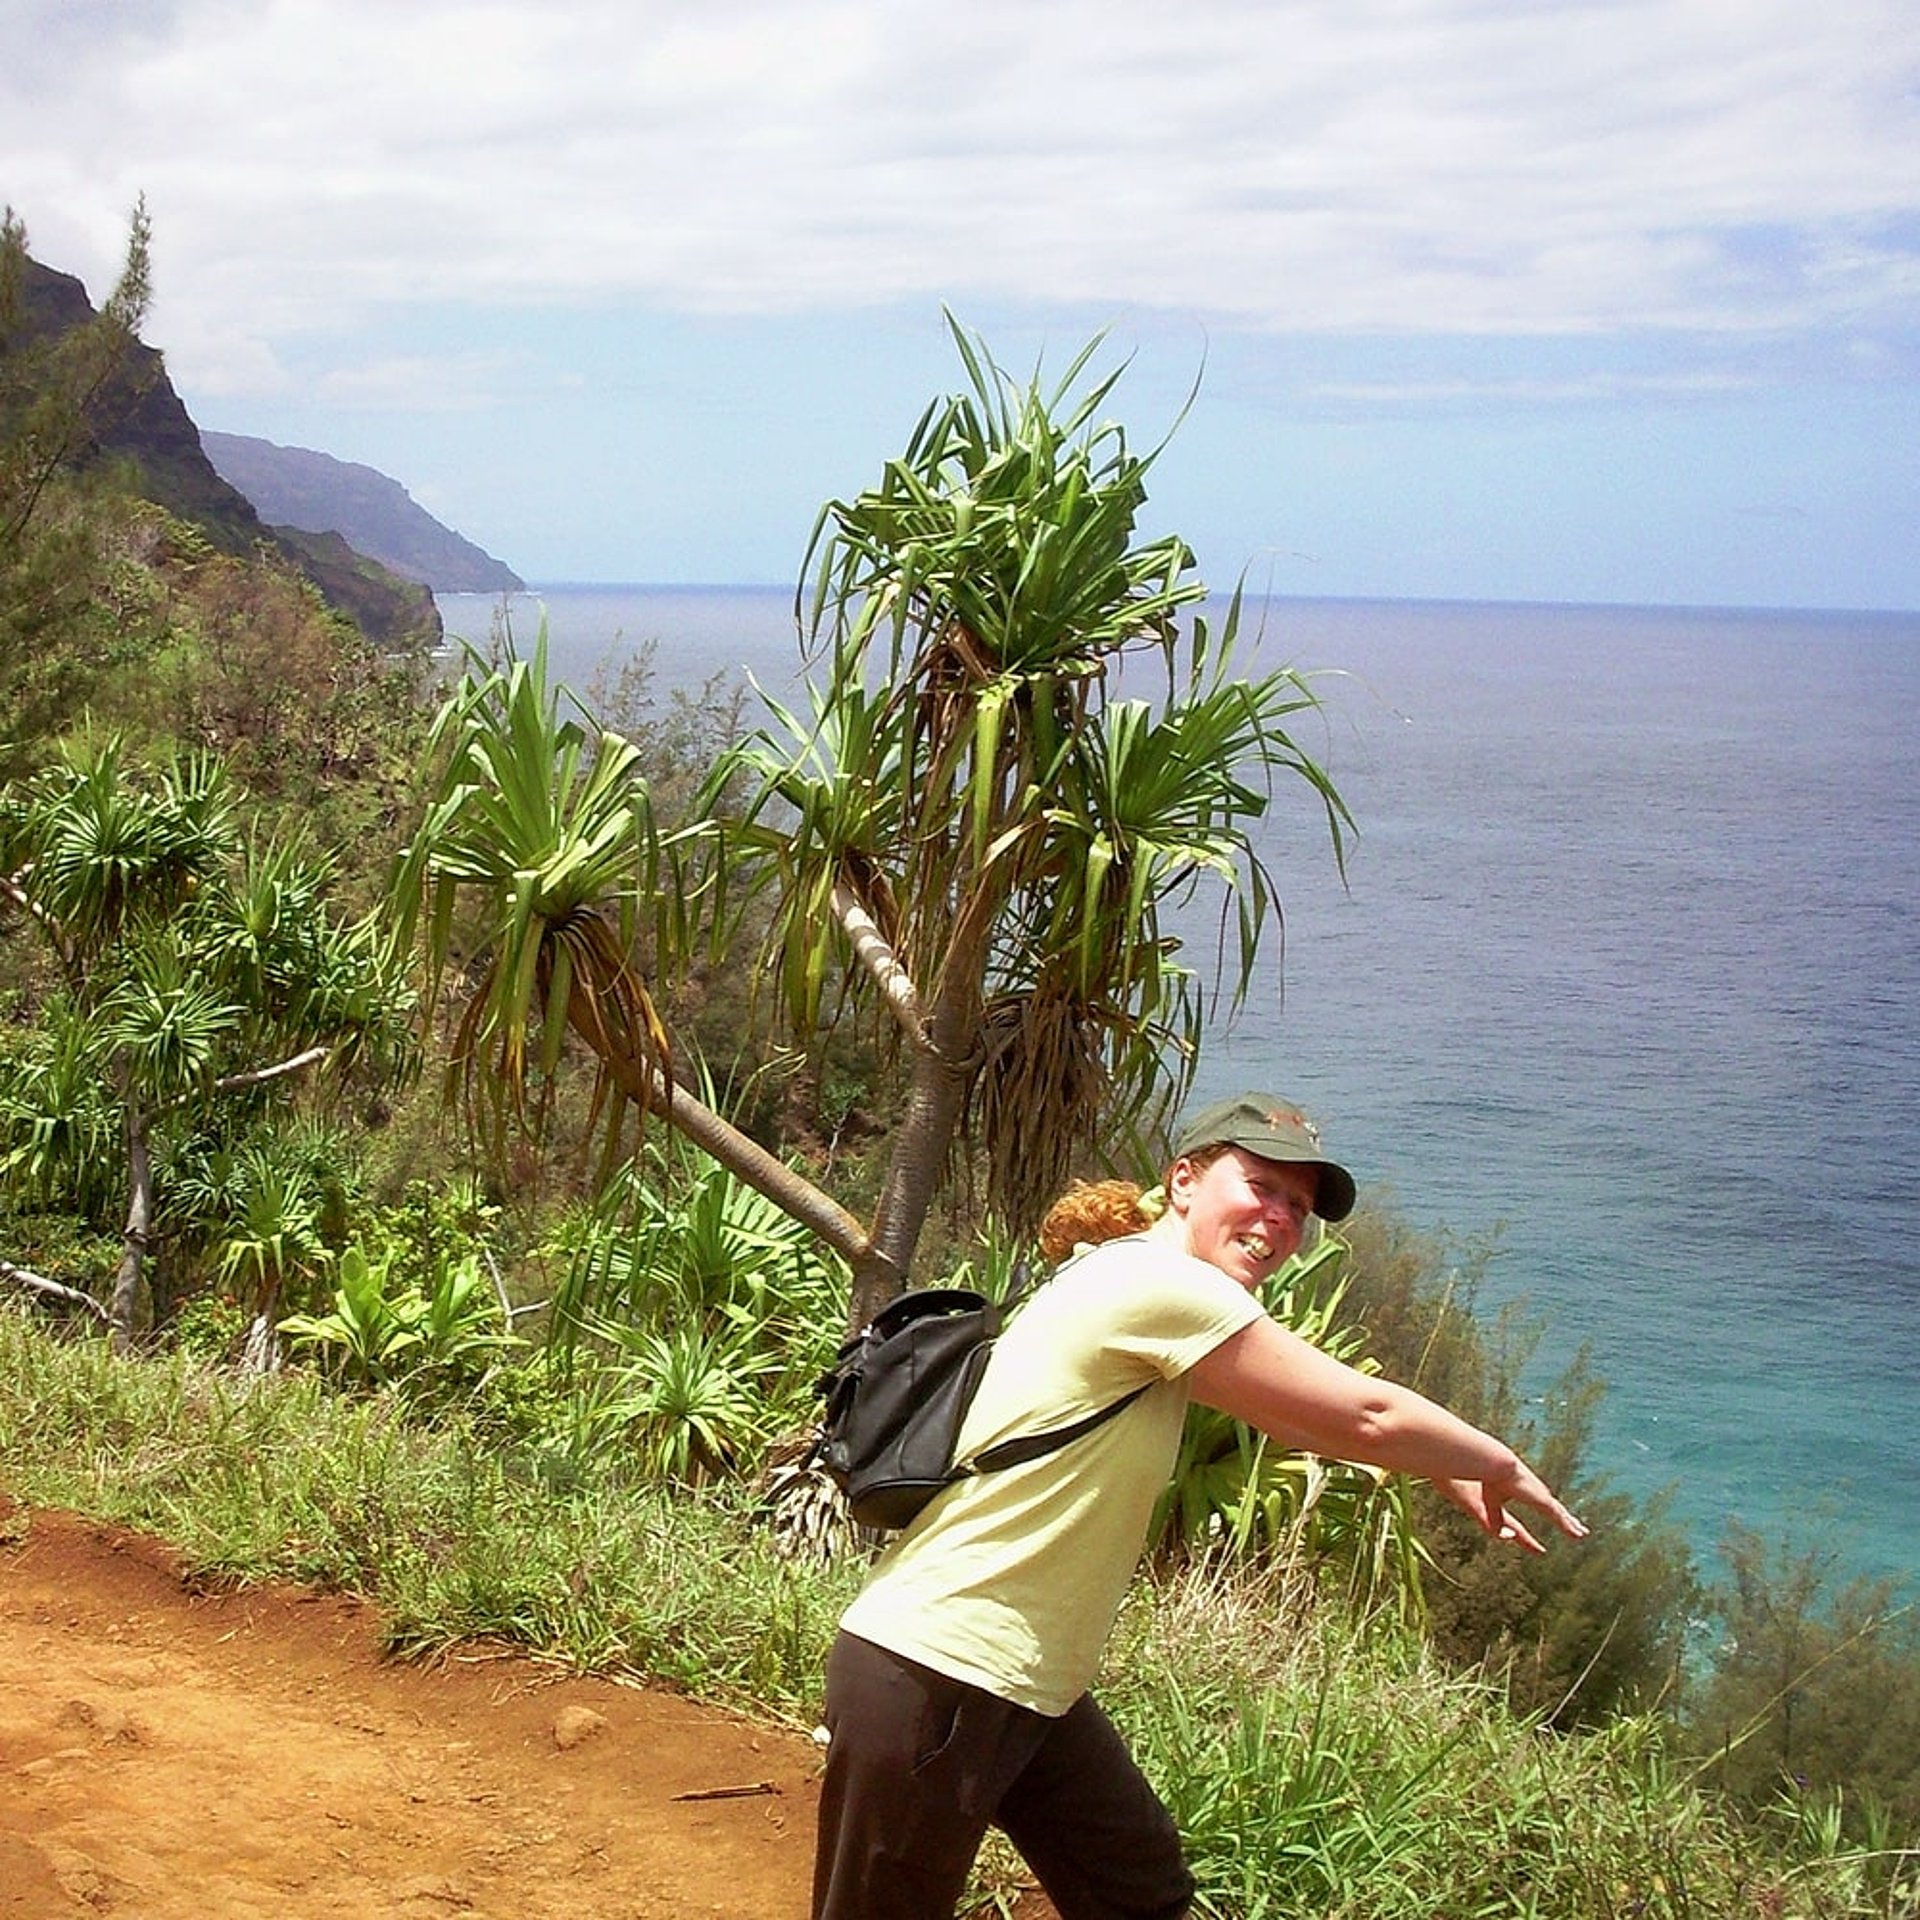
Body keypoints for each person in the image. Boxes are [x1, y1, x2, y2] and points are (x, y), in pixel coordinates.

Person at [810, 1092, 1588, 1920]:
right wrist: (1497, 1459)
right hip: (940, 1667)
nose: (1281, 1220)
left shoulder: (1127, 1275)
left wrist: (1438, 1464)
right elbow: (1365, 1412)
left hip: (1028, 1681)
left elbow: (1299, 1414)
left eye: (1298, 1207)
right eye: (1260, 1186)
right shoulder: (1158, 1284)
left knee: (1138, 1888)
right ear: (1184, 1180)